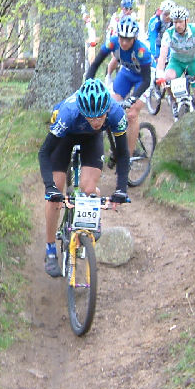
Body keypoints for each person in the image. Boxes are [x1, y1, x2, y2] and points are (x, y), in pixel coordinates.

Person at [39, 79, 130, 277]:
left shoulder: (116, 113)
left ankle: (91, 215)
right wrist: (50, 188)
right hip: (66, 136)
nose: (97, 121)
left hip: (92, 139)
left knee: (89, 190)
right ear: (82, 110)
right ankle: (50, 249)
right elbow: (44, 153)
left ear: (107, 109)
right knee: (56, 191)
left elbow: (123, 154)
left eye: (100, 117)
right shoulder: (68, 112)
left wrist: (121, 188)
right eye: (91, 117)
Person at [84, 16, 151, 160]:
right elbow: (95, 65)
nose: (124, 42)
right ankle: (116, 141)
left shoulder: (141, 51)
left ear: (134, 38)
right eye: (122, 38)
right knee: (109, 106)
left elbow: (146, 80)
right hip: (126, 74)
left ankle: (128, 158)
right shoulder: (112, 43)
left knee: (132, 113)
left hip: (143, 79)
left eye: (128, 39)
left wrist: (133, 98)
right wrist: (87, 85)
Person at [155, 5, 195, 114]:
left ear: (187, 20)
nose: (178, 25)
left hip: (193, 61)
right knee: (167, 78)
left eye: (180, 22)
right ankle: (173, 102)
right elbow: (163, 56)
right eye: (175, 22)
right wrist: (159, 73)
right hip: (177, 62)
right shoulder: (168, 34)